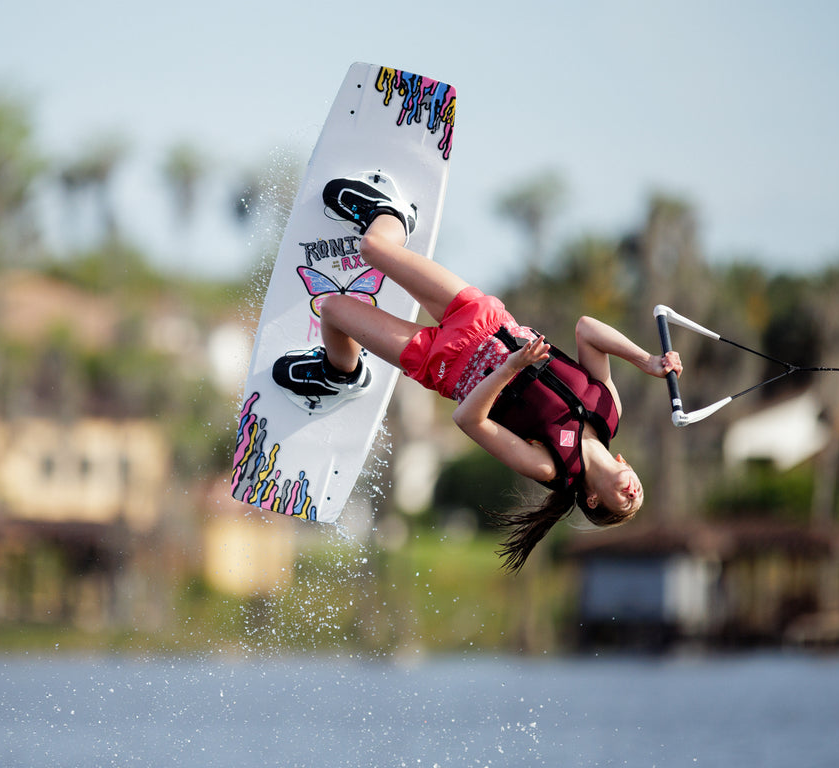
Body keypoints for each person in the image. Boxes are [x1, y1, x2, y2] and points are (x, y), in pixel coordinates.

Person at [272, 171, 684, 570]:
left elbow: (469, 420)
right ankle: (394, 215)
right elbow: (587, 329)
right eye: (638, 494)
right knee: (372, 247)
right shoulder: (608, 409)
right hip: (481, 316)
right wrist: (645, 360)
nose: (634, 495)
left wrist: (510, 368)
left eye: (626, 505)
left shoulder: (550, 466)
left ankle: (342, 374)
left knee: (332, 309)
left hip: (444, 364)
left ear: (593, 500)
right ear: (626, 463)